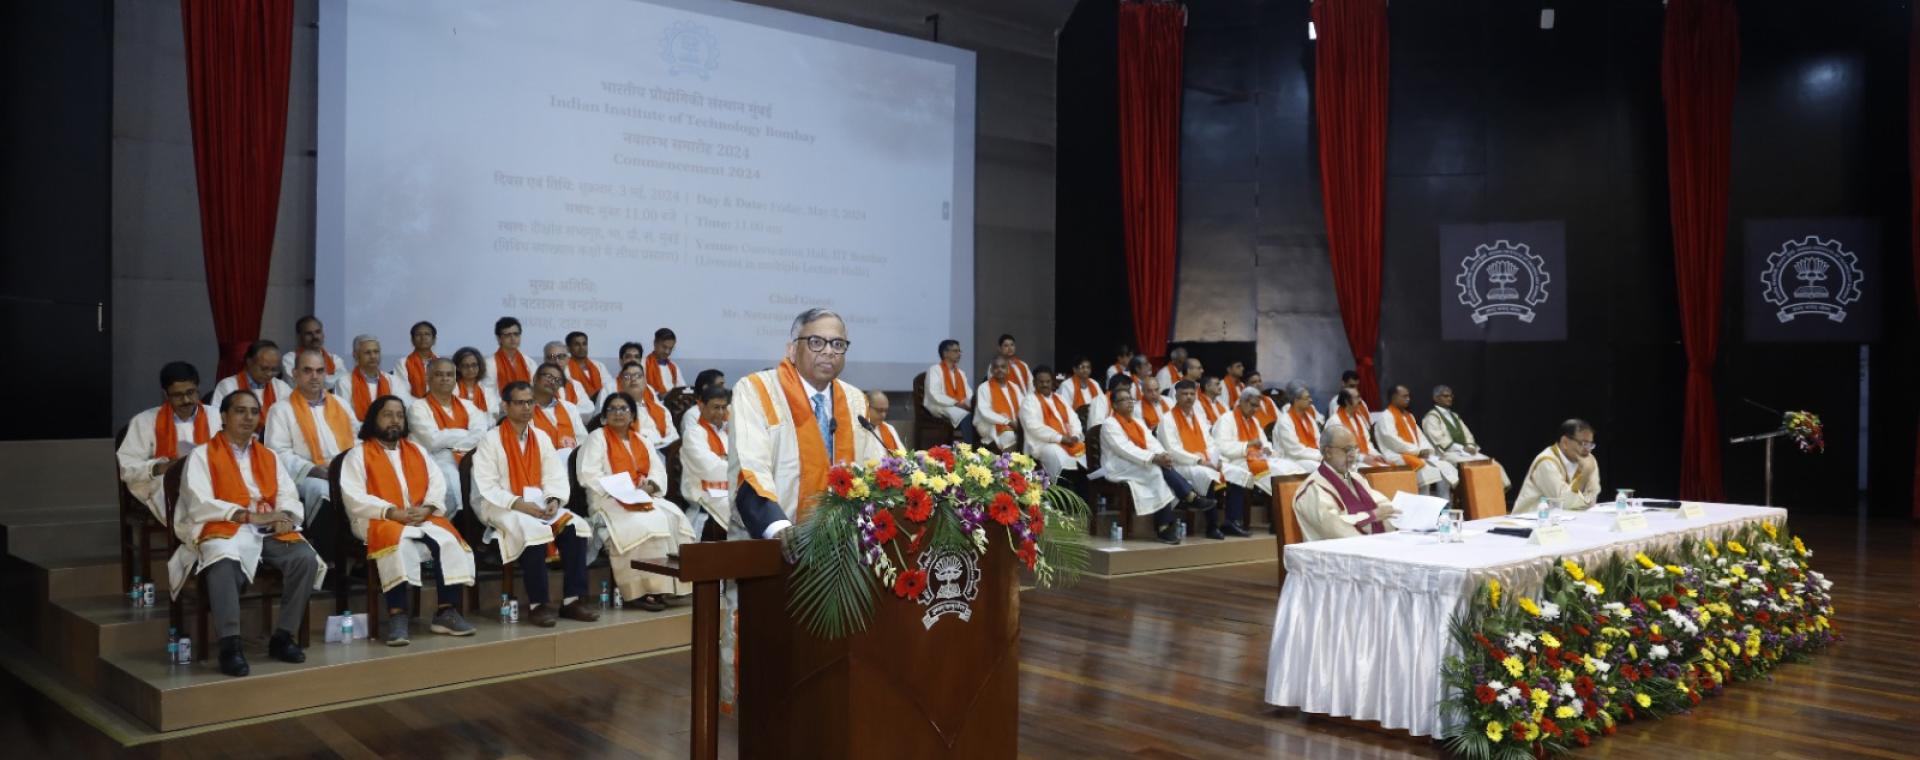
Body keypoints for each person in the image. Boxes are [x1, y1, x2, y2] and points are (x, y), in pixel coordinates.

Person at [172, 390, 323, 677]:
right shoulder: (202, 455)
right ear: (224, 417)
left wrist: (286, 517)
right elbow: (198, 501)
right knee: (222, 561)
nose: (248, 417)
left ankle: (283, 637)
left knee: (305, 558)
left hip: (266, 530)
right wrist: (246, 515)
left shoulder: (269, 456)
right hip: (224, 526)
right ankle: (230, 645)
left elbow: (287, 494)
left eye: (254, 412)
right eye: (240, 411)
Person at [730, 308, 882, 540]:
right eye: (816, 342)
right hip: (769, 541)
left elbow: (874, 468)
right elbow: (750, 468)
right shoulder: (756, 390)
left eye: (838, 344)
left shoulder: (854, 399)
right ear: (792, 350)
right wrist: (778, 528)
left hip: (842, 546)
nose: (829, 351)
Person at [339, 395, 477, 645]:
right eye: (388, 414)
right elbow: (354, 496)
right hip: (378, 519)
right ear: (374, 419)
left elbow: (437, 483)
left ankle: (446, 612)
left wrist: (427, 509)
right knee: (398, 543)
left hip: (418, 516)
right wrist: (391, 512)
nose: (394, 420)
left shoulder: (417, 451)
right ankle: (397, 615)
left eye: (399, 415)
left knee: (449, 540)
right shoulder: (358, 455)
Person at [470, 381, 599, 627]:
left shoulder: (540, 436)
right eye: (519, 402)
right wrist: (518, 503)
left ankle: (572, 600)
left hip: (538, 503)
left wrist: (553, 500)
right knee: (533, 530)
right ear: (505, 406)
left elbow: (554, 475)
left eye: (530, 402)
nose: (526, 407)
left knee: (575, 526)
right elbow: (486, 485)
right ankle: (538, 604)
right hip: (501, 505)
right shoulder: (491, 440)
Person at [579, 391, 695, 611]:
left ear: (633, 415)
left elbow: (658, 472)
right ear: (604, 416)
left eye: (624, 409)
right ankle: (640, 590)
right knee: (644, 525)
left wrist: (650, 485)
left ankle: (670, 586)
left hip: (642, 497)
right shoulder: (597, 438)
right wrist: (620, 488)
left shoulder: (642, 440)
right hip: (609, 499)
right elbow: (588, 474)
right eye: (612, 409)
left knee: (674, 517)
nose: (618, 413)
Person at [264, 349, 359, 555]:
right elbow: (277, 453)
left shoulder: (340, 404)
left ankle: (361, 556)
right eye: (308, 371)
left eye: (319, 371)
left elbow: (357, 440)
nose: (314, 376)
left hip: (345, 470)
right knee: (322, 491)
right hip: (306, 475)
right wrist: (314, 470)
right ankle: (328, 558)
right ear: (295, 374)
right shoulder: (281, 409)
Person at [1099, 386, 1218, 544]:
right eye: (1123, 400)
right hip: (1118, 466)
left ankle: (1165, 525)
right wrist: (1154, 458)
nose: (1129, 403)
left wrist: (1162, 454)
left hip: (1139, 463)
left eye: (1130, 399)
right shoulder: (1109, 424)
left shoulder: (1137, 421)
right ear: (1114, 405)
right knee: (1156, 470)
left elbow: (1152, 442)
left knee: (1161, 467)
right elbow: (1124, 449)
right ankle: (1187, 498)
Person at [118, 361, 216, 521]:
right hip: (162, 481)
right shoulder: (144, 421)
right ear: (165, 394)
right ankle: (197, 535)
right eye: (178, 395)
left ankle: (208, 533)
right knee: (173, 488)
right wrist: (162, 467)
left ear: (198, 389)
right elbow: (127, 467)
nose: (186, 400)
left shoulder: (218, 417)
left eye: (191, 392)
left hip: (209, 478)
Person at [1214, 389, 1301, 538]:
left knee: (1290, 468)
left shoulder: (1253, 421)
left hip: (1257, 458)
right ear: (1242, 401)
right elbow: (1221, 447)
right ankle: (1278, 521)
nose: (1255, 410)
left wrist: (1267, 449)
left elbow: (1264, 442)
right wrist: (1247, 445)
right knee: (1276, 474)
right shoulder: (1226, 419)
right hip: (1236, 460)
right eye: (1253, 405)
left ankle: (1285, 519)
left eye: (1257, 406)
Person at [408, 358, 489, 512]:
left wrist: (451, 440)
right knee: (451, 486)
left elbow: (481, 434)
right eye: (439, 374)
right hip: (434, 460)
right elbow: (433, 440)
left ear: (455, 379)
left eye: (449, 375)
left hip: (469, 458)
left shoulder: (467, 405)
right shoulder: (418, 407)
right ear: (428, 378)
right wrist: (464, 433)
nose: (445, 379)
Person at [1293, 425, 1399, 541]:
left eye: (1355, 449)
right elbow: (1334, 527)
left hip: (1366, 547)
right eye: (1347, 450)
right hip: (1332, 554)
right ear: (1328, 452)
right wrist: (1371, 516)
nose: (1353, 455)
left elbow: (1382, 505)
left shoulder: (1355, 478)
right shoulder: (1312, 490)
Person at [1374, 384, 1456, 498]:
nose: (1408, 398)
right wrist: (1417, 451)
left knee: (1444, 466)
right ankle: (1424, 503)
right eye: (1404, 396)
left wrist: (1425, 450)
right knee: (1426, 470)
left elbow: (1420, 436)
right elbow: (1392, 441)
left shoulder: (1409, 416)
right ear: (1393, 397)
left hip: (1415, 453)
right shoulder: (1386, 416)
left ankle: (1445, 503)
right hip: (1397, 455)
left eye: (1408, 396)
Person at [1422, 385, 1510, 488]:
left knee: (1493, 464)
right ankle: (1476, 495)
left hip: (1464, 453)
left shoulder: (1454, 416)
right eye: (1445, 396)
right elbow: (1439, 440)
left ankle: (1492, 496)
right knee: (1476, 465)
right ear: (1436, 398)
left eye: (1451, 396)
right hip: (1445, 454)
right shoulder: (1431, 417)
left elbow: (1467, 434)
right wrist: (1463, 448)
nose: (1450, 398)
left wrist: (1471, 447)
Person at [681, 385, 736, 540]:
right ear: (701, 406)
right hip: (705, 495)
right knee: (737, 507)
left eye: (724, 408)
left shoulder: (729, 432)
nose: (720, 413)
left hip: (731, 488)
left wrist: (729, 462)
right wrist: (735, 467)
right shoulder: (693, 434)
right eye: (715, 407)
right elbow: (709, 468)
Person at [1513, 419, 1601, 513]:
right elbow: (1562, 502)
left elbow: (1592, 498)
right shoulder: (1546, 461)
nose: (1587, 450)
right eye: (1583, 444)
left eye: (1590, 445)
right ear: (1565, 443)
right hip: (1530, 521)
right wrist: (1584, 475)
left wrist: (1582, 501)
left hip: (1565, 518)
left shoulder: (1589, 460)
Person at [1157, 380, 1224, 496]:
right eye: (1184, 394)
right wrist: (1199, 461)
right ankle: (1211, 511)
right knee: (1207, 475)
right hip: (1181, 464)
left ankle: (1230, 512)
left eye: (1192, 394)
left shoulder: (1198, 416)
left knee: (1232, 472)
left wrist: (1215, 460)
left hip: (1205, 461)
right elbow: (1172, 450)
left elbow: (1210, 442)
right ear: (1176, 396)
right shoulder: (1167, 419)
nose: (1189, 397)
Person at [1019, 366, 1087, 480]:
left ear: (1053, 382)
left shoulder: (1060, 399)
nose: (1045, 384)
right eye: (1041, 382)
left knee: (1086, 454)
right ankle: (1060, 490)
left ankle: (1081, 490)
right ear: (1034, 383)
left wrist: (1075, 435)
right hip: (1042, 444)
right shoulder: (1029, 400)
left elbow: (1074, 419)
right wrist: (1060, 438)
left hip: (1069, 441)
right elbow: (1033, 427)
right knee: (1055, 453)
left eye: (1048, 381)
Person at [210, 340, 290, 419]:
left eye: (274, 370)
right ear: (249, 362)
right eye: (264, 368)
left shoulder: (281, 387)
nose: (269, 374)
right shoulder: (227, 386)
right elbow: (216, 420)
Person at [615, 360, 679, 449]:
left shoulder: (661, 410)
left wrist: (653, 441)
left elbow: (674, 437)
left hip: (662, 454)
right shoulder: (615, 411)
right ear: (621, 383)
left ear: (645, 382)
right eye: (627, 376)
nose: (633, 379)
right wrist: (656, 439)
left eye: (638, 376)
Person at [335, 334, 402, 419]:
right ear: (355, 355)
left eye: (376, 352)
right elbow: (345, 416)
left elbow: (400, 412)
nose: (373, 356)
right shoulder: (344, 382)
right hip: (358, 431)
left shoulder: (393, 381)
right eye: (367, 352)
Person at [923, 339, 974, 441]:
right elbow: (934, 394)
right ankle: (970, 449)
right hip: (940, 405)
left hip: (960, 405)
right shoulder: (935, 370)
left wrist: (970, 404)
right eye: (955, 351)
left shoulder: (960, 373)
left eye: (960, 351)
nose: (959, 354)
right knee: (967, 416)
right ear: (945, 353)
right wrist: (956, 403)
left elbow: (969, 393)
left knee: (979, 415)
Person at [530, 362, 587, 452]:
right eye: (549, 376)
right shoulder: (524, 407)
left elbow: (583, 439)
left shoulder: (569, 408)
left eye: (557, 380)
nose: (552, 382)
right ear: (535, 378)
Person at [1329, 388, 1393, 467]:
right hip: (1345, 462)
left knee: (1388, 466)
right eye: (1357, 397)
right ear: (1346, 401)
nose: (1360, 400)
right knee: (1377, 470)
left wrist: (1377, 455)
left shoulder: (1359, 418)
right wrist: (1362, 458)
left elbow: (1367, 442)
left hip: (1362, 459)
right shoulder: (1335, 421)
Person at [1272, 381, 1327, 473]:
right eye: (1307, 398)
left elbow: (1318, 440)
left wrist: (1325, 454)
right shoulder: (1285, 421)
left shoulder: (1309, 418)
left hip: (1311, 457)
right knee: (1323, 469)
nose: (1311, 400)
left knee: (1337, 466)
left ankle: (1346, 484)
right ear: (1296, 401)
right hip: (1292, 460)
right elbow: (1295, 450)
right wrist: (1319, 456)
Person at [973, 355, 1022, 452]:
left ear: (1008, 369)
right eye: (996, 367)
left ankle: (1023, 463)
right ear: (991, 370)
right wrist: (1008, 422)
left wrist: (1020, 423)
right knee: (1009, 435)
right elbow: (985, 412)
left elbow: (1023, 408)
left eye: (1003, 367)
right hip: (988, 423)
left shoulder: (1014, 387)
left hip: (1013, 422)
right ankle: (1007, 464)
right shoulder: (984, 388)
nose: (999, 370)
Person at [281, 315, 347, 387]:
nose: (315, 337)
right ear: (299, 337)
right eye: (309, 333)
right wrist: (330, 380)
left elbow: (343, 381)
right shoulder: (290, 359)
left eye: (318, 332)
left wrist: (313, 380)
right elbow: (299, 384)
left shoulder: (334, 359)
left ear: (323, 334)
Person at [541, 341, 596, 419]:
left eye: (561, 357)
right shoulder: (536, 386)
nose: (557, 361)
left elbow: (588, 410)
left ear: (567, 360)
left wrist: (562, 412)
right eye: (551, 357)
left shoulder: (576, 385)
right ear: (545, 360)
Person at [391, 321, 439, 399]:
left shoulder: (442, 363)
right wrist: (421, 406)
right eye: (418, 334)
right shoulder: (403, 363)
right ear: (412, 340)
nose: (423, 337)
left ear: (434, 340)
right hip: (413, 407)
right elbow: (402, 393)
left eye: (427, 334)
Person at [563, 331, 612, 407]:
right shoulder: (564, 368)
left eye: (584, 344)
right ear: (568, 349)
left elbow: (609, 387)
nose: (582, 348)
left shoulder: (599, 365)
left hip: (601, 407)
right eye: (577, 344)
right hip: (577, 408)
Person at [451, 346, 500, 419]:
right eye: (465, 366)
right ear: (458, 367)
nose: (470, 369)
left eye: (474, 365)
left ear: (479, 366)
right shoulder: (451, 389)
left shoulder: (488, 390)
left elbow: (494, 416)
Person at [489, 316, 537, 390]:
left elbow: (535, 388)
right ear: (499, 339)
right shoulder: (490, 364)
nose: (513, 338)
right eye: (508, 335)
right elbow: (488, 392)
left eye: (516, 334)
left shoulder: (529, 363)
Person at [644, 328, 685, 396]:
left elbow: (681, 388)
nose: (667, 352)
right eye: (664, 347)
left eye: (670, 348)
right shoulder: (643, 363)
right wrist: (660, 395)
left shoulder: (674, 367)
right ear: (655, 343)